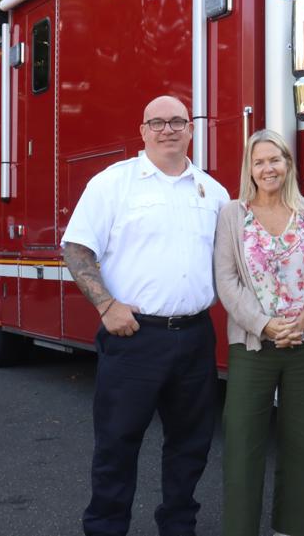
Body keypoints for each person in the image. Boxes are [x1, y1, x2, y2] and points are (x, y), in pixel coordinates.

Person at [62, 95, 229, 536]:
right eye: (157, 122)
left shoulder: (213, 192)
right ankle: (105, 527)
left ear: (191, 129)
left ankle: (178, 526)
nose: (167, 130)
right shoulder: (113, 183)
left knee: (191, 444)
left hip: (194, 336)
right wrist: (105, 305)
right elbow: (77, 246)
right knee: (118, 443)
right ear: (142, 130)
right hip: (134, 336)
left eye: (177, 121)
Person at [214, 129, 304, 536]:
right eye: (259, 161)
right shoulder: (233, 214)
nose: (268, 168)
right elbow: (226, 281)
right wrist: (265, 325)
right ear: (249, 168)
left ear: (289, 164)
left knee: (303, 444)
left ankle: (293, 528)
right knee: (243, 443)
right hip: (253, 345)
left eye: (275, 160)